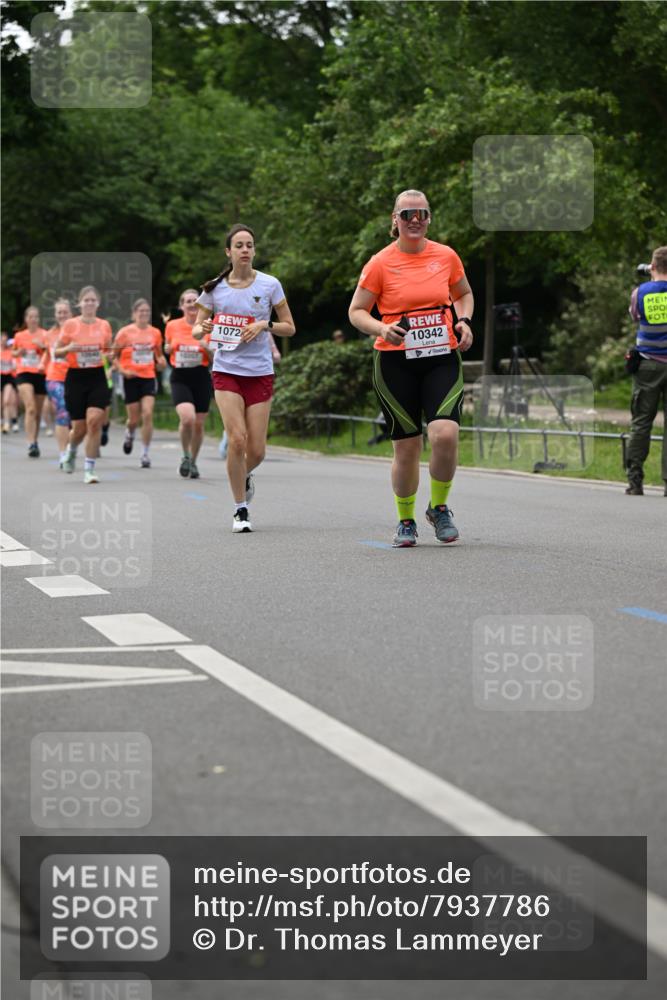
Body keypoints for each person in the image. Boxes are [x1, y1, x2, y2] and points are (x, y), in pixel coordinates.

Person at [348, 189, 474, 547]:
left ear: (429, 218)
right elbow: (356, 311)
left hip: (441, 356)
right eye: (407, 214)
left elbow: (463, 293)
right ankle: (406, 520)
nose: (415, 219)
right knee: (407, 447)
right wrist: (381, 327)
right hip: (394, 361)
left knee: (445, 435)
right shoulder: (379, 262)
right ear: (395, 220)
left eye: (421, 213)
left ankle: (439, 507)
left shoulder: (446, 256)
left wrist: (463, 320)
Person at [193, 223, 296, 532]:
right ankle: (240, 509)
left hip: (260, 372)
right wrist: (206, 328)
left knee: (258, 450)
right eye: (239, 245)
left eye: (249, 244)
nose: (245, 250)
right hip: (227, 371)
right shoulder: (214, 288)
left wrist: (265, 325)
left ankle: (242, 475)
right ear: (229, 252)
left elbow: (290, 326)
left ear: (254, 250)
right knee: (237, 439)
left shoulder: (269, 285)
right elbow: (197, 328)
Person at [54, 285, 113, 483]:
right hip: (76, 378)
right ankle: (71, 451)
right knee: (79, 428)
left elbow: (107, 350)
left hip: (97, 376)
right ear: (79, 303)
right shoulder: (70, 325)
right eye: (86, 300)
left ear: (98, 303)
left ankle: (89, 469)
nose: (89, 303)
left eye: (92, 300)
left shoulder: (104, 325)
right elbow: (57, 352)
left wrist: (110, 355)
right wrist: (69, 347)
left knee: (94, 421)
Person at [626, 246, 667, 496]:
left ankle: (635, 480)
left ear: (652, 266)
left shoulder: (639, 292)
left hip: (648, 365)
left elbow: (635, 316)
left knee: (641, 422)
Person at [165, 288, 212, 478]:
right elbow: (168, 349)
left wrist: (207, 347)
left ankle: (193, 461)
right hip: (180, 377)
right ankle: (185, 456)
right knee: (187, 418)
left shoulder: (208, 325)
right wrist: (167, 349)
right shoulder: (172, 326)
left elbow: (215, 356)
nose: (192, 304)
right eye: (188, 301)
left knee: (199, 425)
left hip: (201, 376)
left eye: (195, 301)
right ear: (181, 306)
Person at [113, 298, 165, 468]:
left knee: (148, 413)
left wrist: (162, 362)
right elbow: (112, 358)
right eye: (140, 311)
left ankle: (145, 454)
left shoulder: (155, 333)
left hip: (148, 377)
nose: (143, 314)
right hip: (130, 378)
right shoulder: (124, 333)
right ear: (134, 314)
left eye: (146, 311)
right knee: (133, 418)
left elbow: (158, 355)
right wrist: (123, 371)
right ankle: (129, 433)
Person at [219, 332, 281, 459]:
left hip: (258, 376)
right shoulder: (228, 322)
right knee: (238, 432)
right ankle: (229, 437)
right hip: (230, 373)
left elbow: (277, 355)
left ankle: (243, 470)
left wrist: (274, 354)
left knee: (254, 440)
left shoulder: (264, 330)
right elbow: (216, 347)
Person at [12, 306, 48, 457]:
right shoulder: (20, 336)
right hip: (24, 373)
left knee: (38, 412)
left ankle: (35, 441)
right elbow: (13, 352)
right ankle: (30, 443)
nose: (33, 319)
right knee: (31, 408)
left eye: (36, 317)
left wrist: (43, 346)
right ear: (26, 319)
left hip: (40, 373)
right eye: (30, 317)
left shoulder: (44, 334)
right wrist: (18, 352)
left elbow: (49, 351)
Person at [42, 297, 72, 467]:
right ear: (55, 315)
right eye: (59, 312)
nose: (62, 315)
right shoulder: (50, 334)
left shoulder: (77, 332)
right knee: (62, 409)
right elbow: (47, 353)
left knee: (74, 417)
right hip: (54, 378)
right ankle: (63, 453)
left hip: (74, 378)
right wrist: (41, 363)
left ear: (71, 313)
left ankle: (70, 448)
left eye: (65, 312)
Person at [1, 331, 19, 433]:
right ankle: (2, 421)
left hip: (8, 377)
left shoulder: (10, 352)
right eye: (1, 339)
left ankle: (8, 423)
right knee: (1, 403)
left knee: (7, 401)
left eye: (4, 339)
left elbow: (15, 365)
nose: (2, 341)